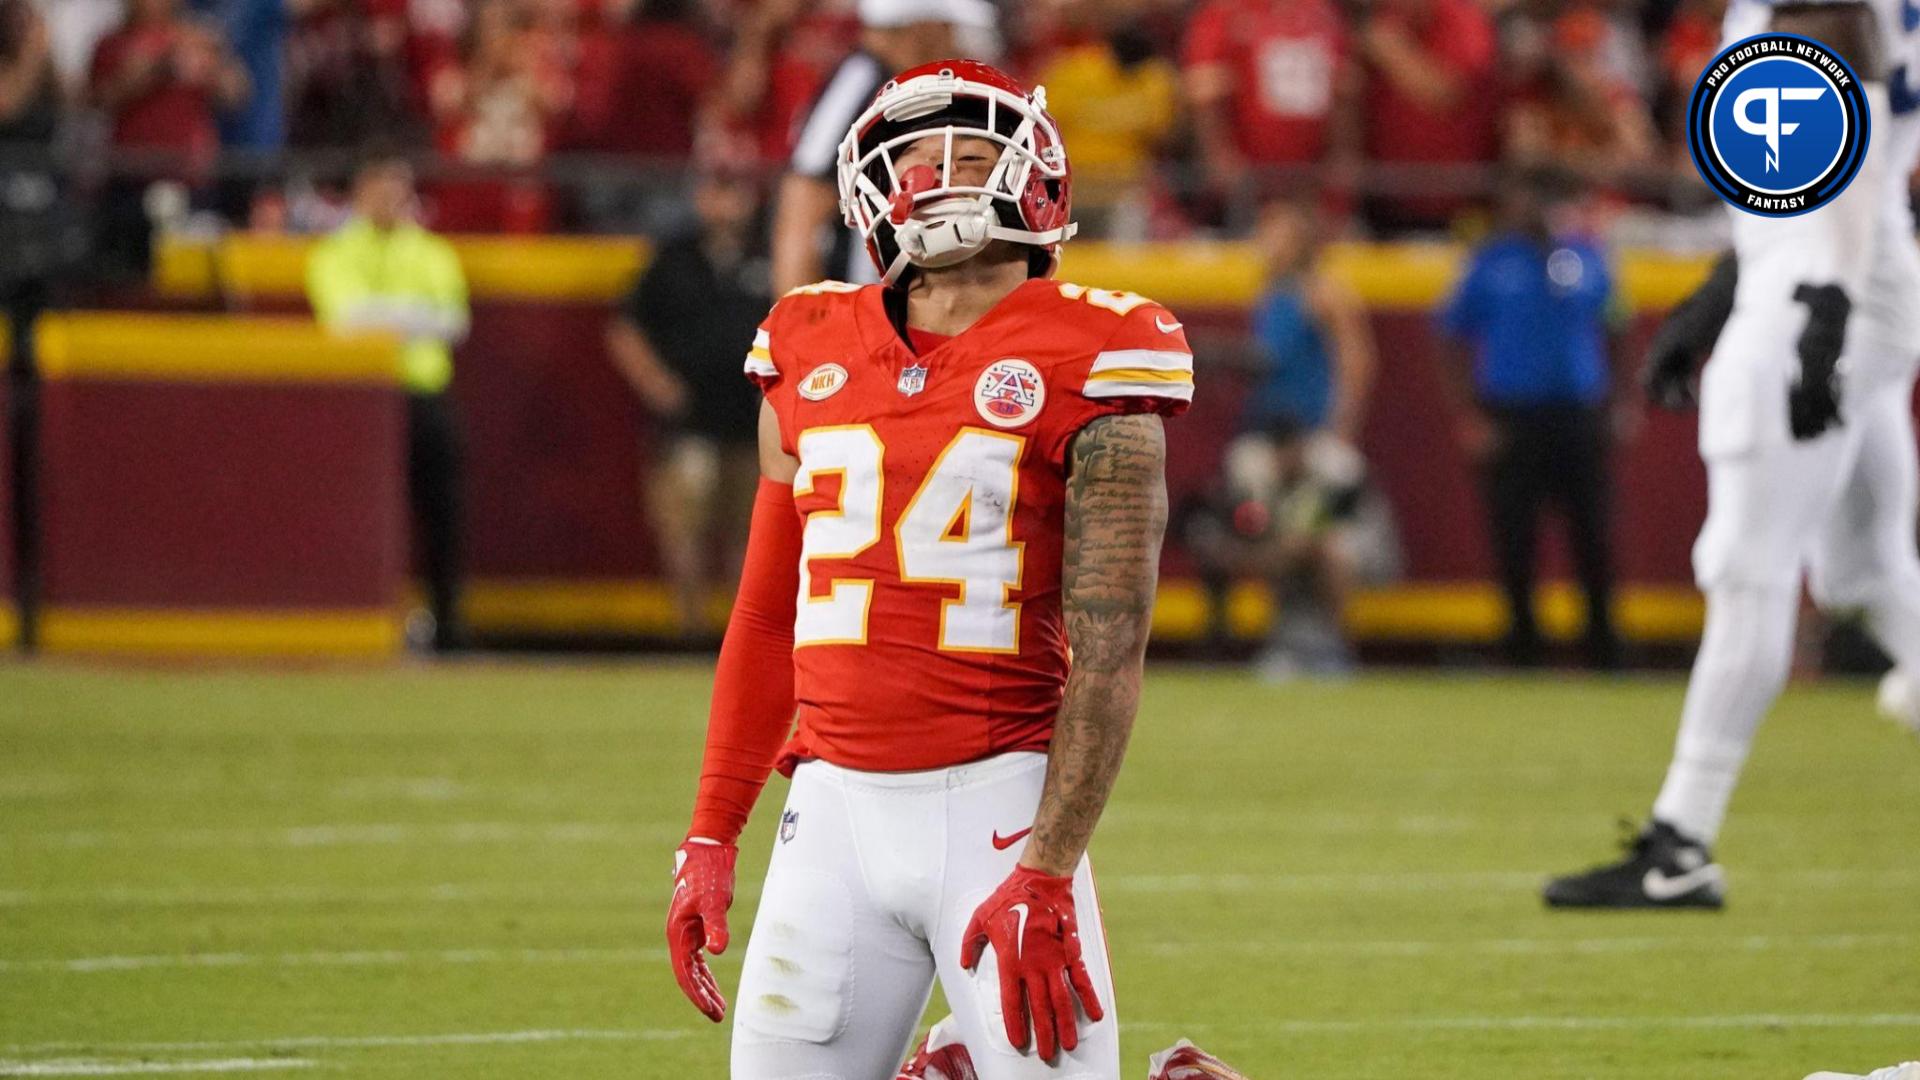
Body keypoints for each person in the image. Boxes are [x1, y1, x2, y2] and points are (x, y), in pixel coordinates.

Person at [665, 59, 1193, 1078]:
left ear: (1037, 173)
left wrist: (1049, 864)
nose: (941, 167)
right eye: (915, 148)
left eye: (973, 143)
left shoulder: (1100, 346)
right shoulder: (810, 337)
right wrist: (711, 832)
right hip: (830, 816)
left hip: (999, 808)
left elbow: (1112, 650)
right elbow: (771, 611)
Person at [1545, 0, 1920, 909]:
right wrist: (1718, 296)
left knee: (1747, 570)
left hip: (1819, 292)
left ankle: (1680, 842)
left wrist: (1820, 310)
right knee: (1866, 575)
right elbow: (1803, 168)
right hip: (1843, 279)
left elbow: (1849, 157)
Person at [1438, 171, 1623, 669]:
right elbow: (1449, 338)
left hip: (1577, 413)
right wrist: (1471, 415)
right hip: (1511, 415)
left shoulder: (1585, 256)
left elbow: (1616, 327)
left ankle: (1605, 649)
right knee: (1514, 537)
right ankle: (1523, 650)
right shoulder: (1491, 261)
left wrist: (1622, 403)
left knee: (1593, 535)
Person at [307, 153, 472, 653]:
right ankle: (353, 620)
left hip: (423, 395)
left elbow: (453, 321)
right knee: (356, 513)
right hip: (356, 405)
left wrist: (381, 315)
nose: (392, 198)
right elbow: (343, 320)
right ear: (360, 191)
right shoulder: (335, 251)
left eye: (399, 187)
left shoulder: (431, 251)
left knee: (443, 510)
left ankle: (447, 623)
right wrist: (411, 315)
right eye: (381, 186)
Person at [606, 159, 769, 637]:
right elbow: (625, 327)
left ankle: (745, 633)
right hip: (689, 418)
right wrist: (657, 385)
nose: (724, 204)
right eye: (716, 192)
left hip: (751, 416)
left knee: (752, 529)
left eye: (733, 191)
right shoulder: (674, 258)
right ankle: (690, 628)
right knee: (686, 522)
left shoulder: (767, 255)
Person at [768, 0, 993, 295]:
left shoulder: (907, 88)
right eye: (950, 30)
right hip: (863, 313)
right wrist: (801, 326)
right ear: (923, 29)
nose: (958, 47)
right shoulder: (860, 81)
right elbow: (802, 209)